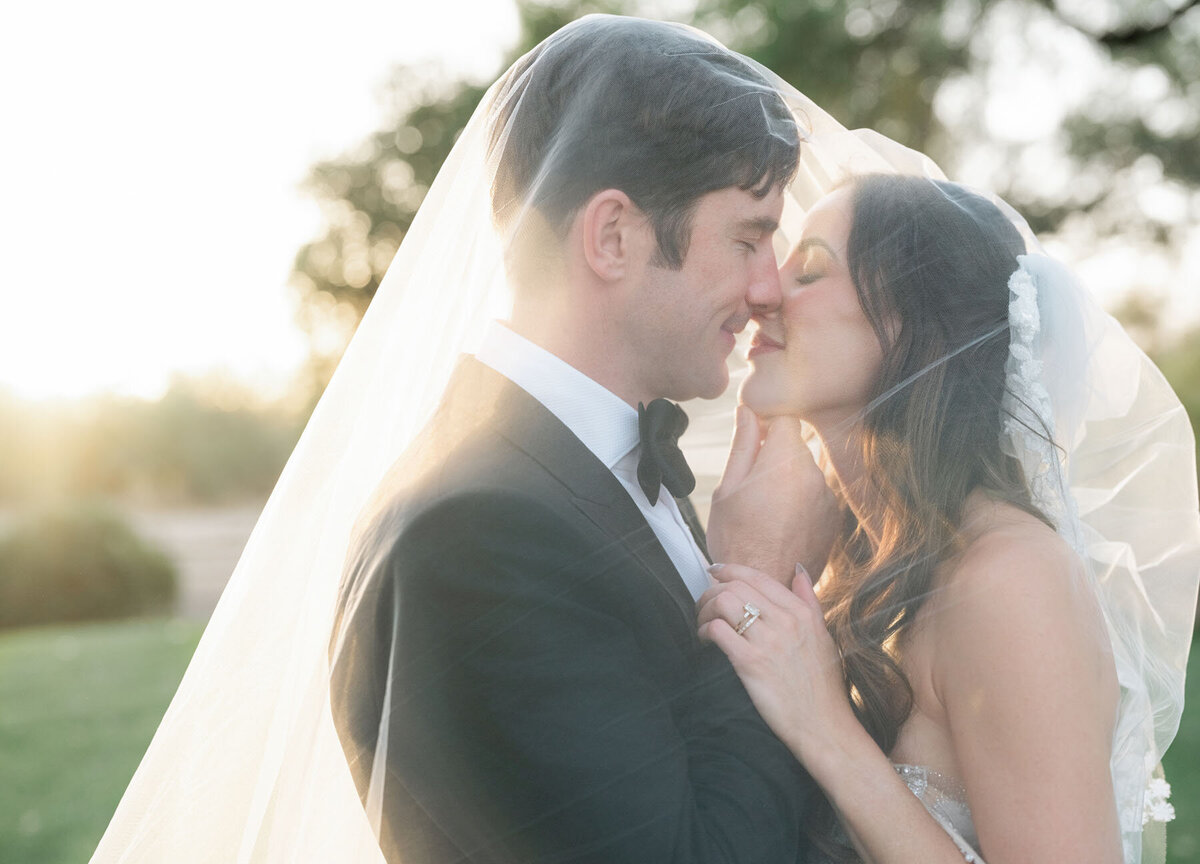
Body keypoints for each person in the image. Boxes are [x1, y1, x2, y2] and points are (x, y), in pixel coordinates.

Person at [325, 16, 838, 864]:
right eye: (748, 237)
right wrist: (757, 573)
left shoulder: (585, 469)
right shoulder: (478, 537)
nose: (768, 284)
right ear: (613, 237)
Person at [697, 174, 1200, 863]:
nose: (762, 295)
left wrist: (825, 728)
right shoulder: (853, 559)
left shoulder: (1009, 578)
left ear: (913, 321)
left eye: (809, 269)